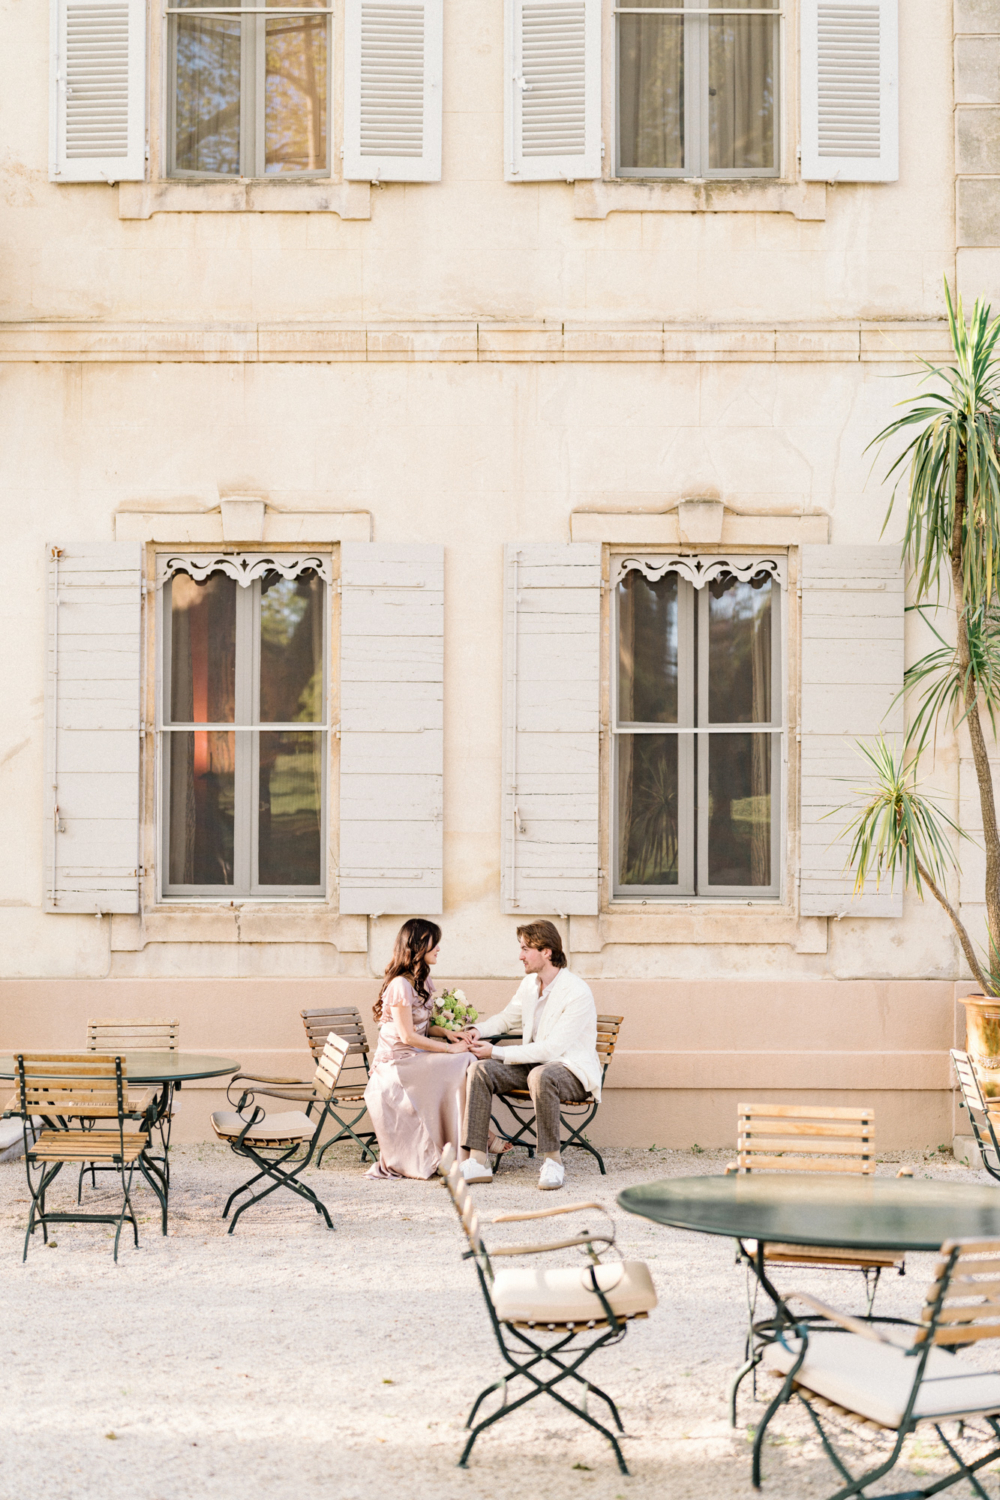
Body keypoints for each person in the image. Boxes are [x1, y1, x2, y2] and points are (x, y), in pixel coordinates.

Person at [460, 920, 600, 1192]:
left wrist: (497, 1051)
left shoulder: (577, 991)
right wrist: (477, 1030)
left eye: (526, 949)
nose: (520, 955)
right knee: (479, 1070)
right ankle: (478, 1161)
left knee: (541, 1074)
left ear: (547, 951)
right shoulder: (528, 984)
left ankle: (552, 1161)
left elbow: (552, 1049)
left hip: (571, 1070)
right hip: (533, 1066)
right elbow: (506, 1019)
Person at [364, 918, 475, 1180]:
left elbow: (423, 1027)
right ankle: (463, 1146)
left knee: (465, 1062)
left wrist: (448, 1033)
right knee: (462, 1061)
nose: (439, 949)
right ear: (418, 946)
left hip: (416, 1058)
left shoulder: (422, 981)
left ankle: (462, 1145)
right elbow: (408, 1036)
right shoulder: (400, 985)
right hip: (397, 1064)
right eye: (434, 943)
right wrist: (449, 1050)